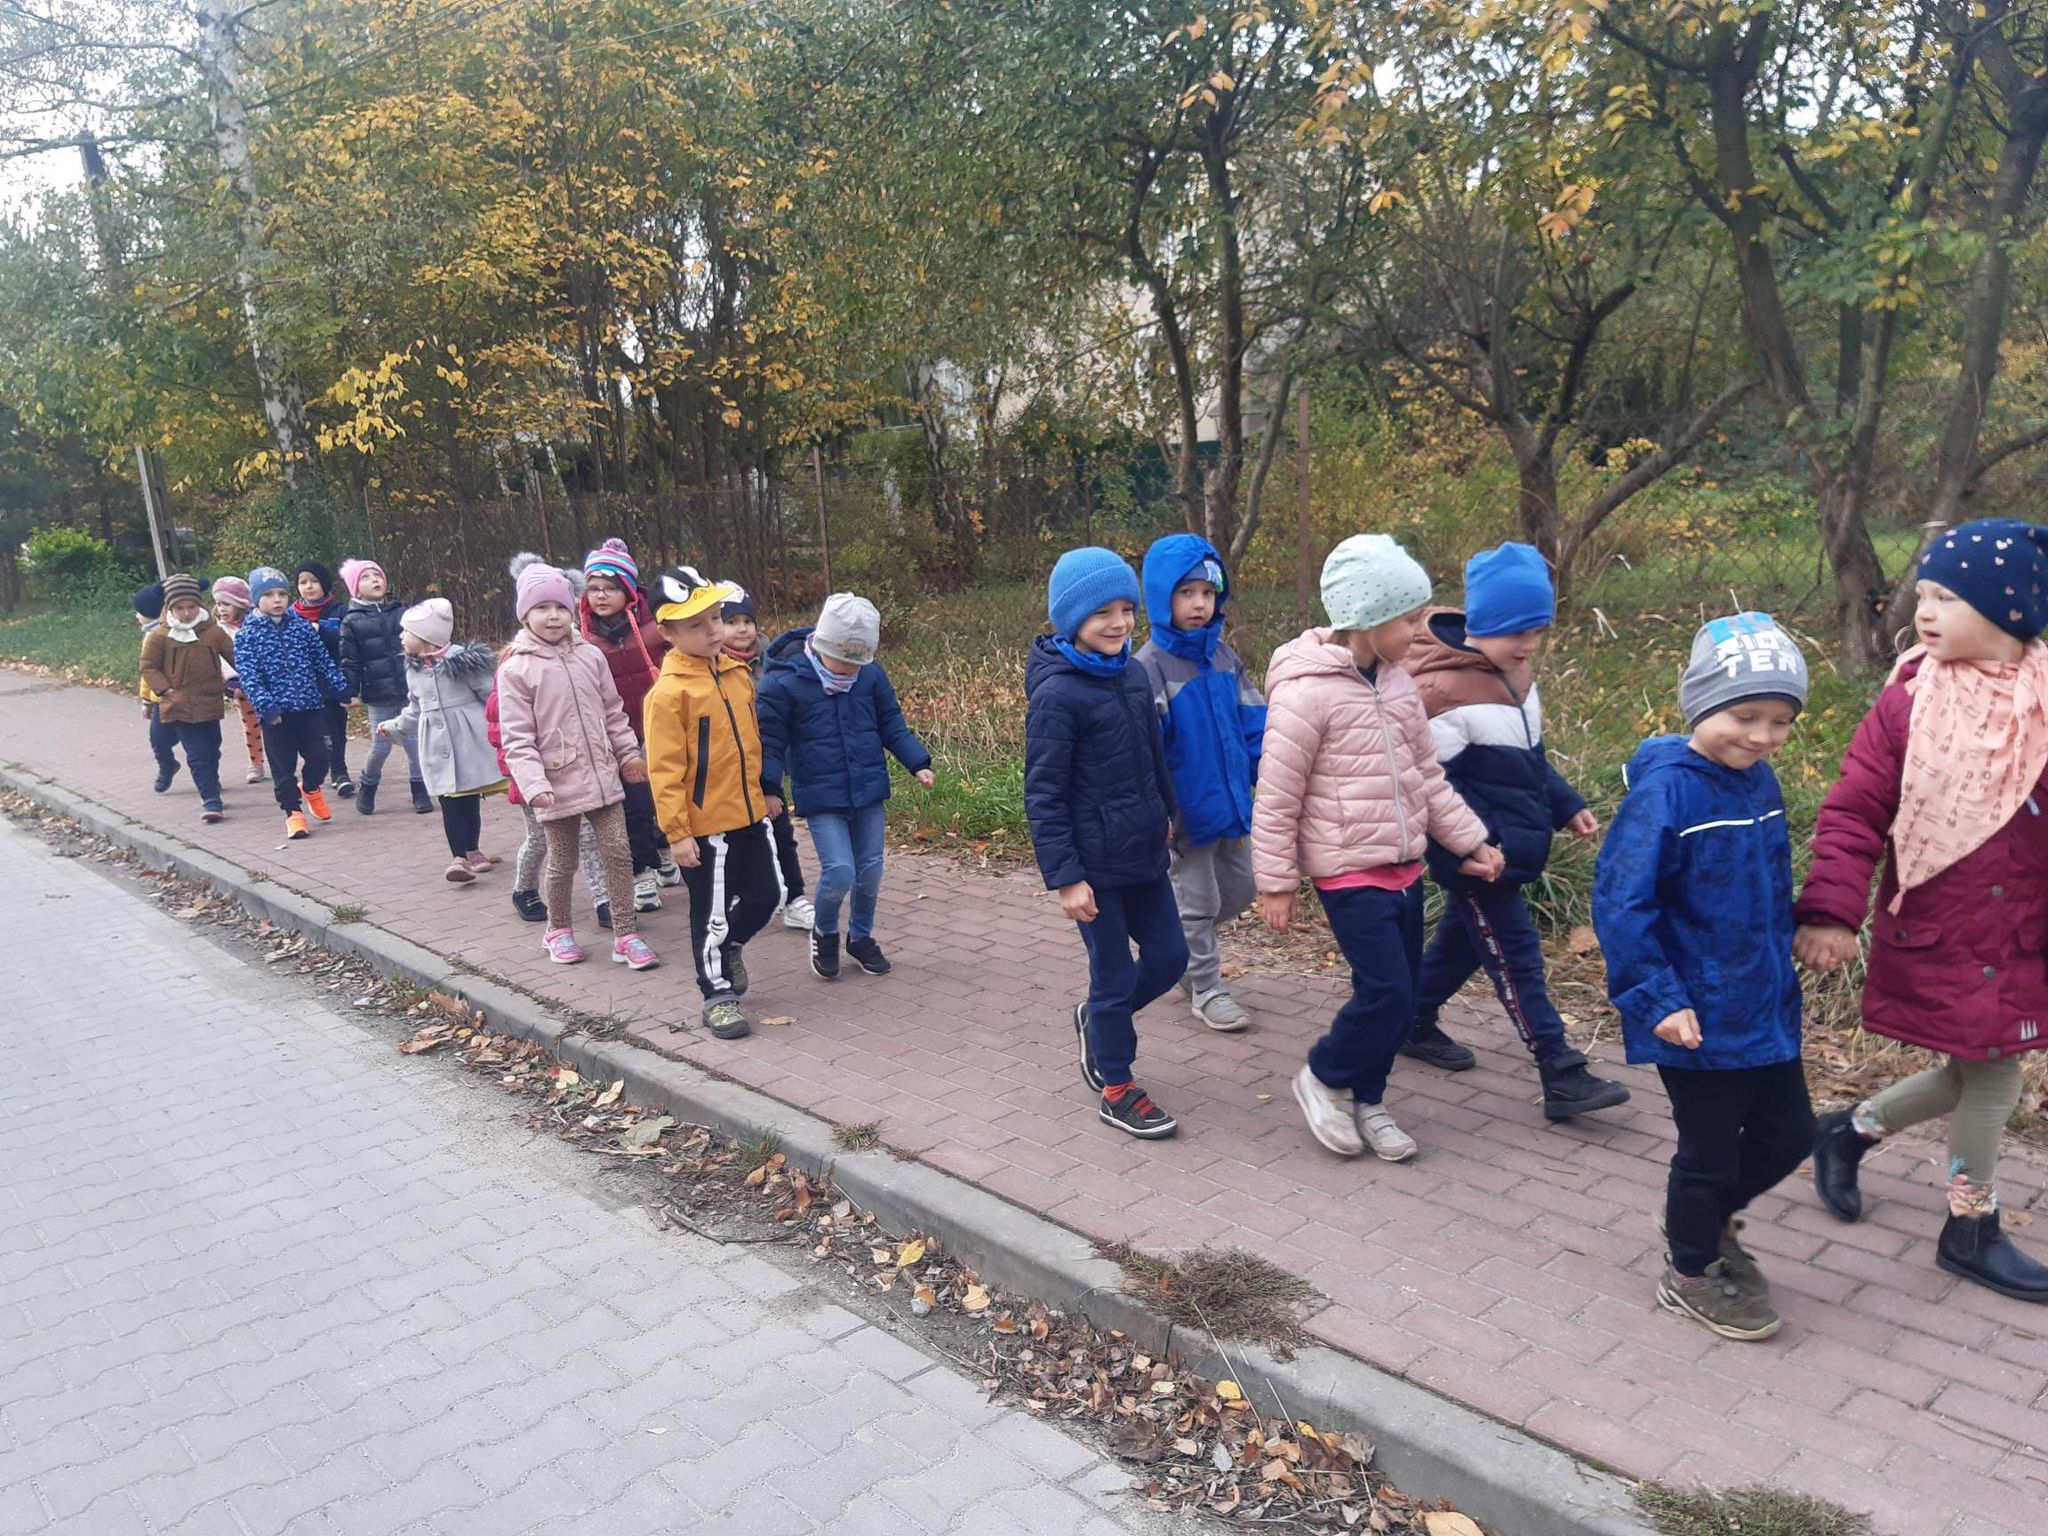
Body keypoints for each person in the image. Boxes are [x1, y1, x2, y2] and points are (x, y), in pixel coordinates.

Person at [1799, 519, 2048, 1304]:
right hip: (1942, 928)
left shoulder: (2043, 703)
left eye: (1948, 597)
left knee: (1969, 1072)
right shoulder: (1910, 701)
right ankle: (1970, 1229)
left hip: (2022, 932)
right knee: (1995, 1080)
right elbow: (1854, 810)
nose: (1924, 611)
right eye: (1924, 593)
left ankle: (1847, 1131)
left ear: (2008, 610)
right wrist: (1832, 911)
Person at [1594, 612, 1812, 1341]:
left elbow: (1768, 885)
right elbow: (1622, 903)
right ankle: (1689, 1269)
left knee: (1790, 1134)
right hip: (1693, 1014)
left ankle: (1705, 1217)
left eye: (1781, 721)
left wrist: (1805, 929)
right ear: (1701, 705)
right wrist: (1656, 997)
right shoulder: (1666, 795)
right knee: (1709, 1151)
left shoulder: (1758, 780)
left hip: (1764, 1001)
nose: (1762, 736)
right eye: (1745, 717)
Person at [1253, 535, 1504, 1162]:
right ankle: (1323, 1076)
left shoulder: (1397, 686)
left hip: (1405, 865)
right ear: (1367, 618)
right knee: (1386, 992)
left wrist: (1470, 840)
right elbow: (1277, 795)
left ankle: (1368, 1097)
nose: (1421, 632)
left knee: (1404, 994)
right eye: (1410, 619)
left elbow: (1427, 777)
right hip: (1347, 870)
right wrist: (1276, 882)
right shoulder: (1306, 693)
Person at [1401, 542, 1630, 1119]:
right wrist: (1466, 848)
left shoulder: (1515, 676)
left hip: (1510, 846)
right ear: (1481, 624)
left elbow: (1528, 761)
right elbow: (1430, 787)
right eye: (1515, 632)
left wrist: (1565, 804)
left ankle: (1411, 1019)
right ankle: (1559, 1069)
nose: (1527, 644)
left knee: (1464, 946)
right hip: (1478, 857)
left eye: (1536, 631)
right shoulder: (1443, 693)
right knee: (1517, 956)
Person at [1025, 547, 1186, 1139]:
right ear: (1072, 620)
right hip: (1093, 867)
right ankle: (1118, 1088)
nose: (1119, 623)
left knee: (1170, 959)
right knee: (1114, 976)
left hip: (1143, 852)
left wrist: (1168, 812)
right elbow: (1043, 794)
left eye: (1127, 609)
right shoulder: (1057, 696)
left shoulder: (1133, 673)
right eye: (1102, 613)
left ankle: (1098, 1020)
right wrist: (1066, 878)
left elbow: (1153, 755)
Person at [758, 593, 934, 982]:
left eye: (859, 662)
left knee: (869, 871)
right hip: (821, 793)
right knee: (839, 871)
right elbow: (770, 741)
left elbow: (891, 724)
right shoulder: (784, 683)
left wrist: (918, 762)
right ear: (822, 646)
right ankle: (824, 932)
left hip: (867, 788)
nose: (851, 669)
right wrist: (769, 787)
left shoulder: (869, 676)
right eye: (843, 660)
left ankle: (861, 937)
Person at [495, 561, 658, 971]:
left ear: (572, 610)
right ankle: (558, 929)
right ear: (525, 615)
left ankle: (626, 934)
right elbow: (517, 737)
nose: (553, 616)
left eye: (560, 607)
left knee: (618, 852)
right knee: (563, 860)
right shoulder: (516, 668)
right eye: (542, 608)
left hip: (602, 775)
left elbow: (613, 712)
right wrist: (533, 784)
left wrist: (628, 755)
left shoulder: (591, 655)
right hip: (554, 782)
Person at [1136, 533, 1265, 1033]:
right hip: (1184, 815)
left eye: (1208, 593)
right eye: (1186, 592)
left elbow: (1253, 724)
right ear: (1162, 596)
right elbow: (1144, 752)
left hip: (1231, 805)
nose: (1199, 604)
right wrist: (1158, 812)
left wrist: (1267, 775)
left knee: (1241, 889)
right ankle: (1206, 987)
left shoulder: (1224, 659)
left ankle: (1176, 943)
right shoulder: (1149, 668)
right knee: (1198, 904)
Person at [644, 565, 780, 1038]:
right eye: (696, 625)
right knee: (712, 913)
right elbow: (664, 771)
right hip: (704, 828)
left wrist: (766, 791)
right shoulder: (668, 694)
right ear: (668, 633)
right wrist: (677, 833)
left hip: (751, 814)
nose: (713, 630)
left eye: (715, 618)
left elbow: (752, 745)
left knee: (768, 896)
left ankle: (729, 947)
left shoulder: (737, 674)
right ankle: (716, 993)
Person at [573, 539, 681, 910]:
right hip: (618, 734)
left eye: (611, 588)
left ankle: (664, 849)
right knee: (633, 806)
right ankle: (641, 874)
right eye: (594, 588)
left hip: (661, 726)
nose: (601, 595)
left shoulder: (656, 625)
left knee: (663, 798)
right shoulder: (582, 636)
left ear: (630, 590)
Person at [376, 598, 505, 885]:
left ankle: (472, 850)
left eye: (407, 632)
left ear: (427, 638)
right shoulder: (413, 669)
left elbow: (492, 697)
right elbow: (415, 709)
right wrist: (395, 727)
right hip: (435, 745)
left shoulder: (464, 664)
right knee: (449, 802)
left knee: (468, 799)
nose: (401, 637)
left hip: (468, 742)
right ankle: (458, 857)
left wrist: (509, 725)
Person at [721, 587, 815, 933]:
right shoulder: (712, 665)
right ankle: (739, 894)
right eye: (732, 621)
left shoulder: (773, 660)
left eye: (747, 621)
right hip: (729, 770)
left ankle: (795, 898)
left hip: (767, 763)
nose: (742, 628)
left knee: (781, 832)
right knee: (737, 839)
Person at [234, 567, 351, 839]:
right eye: (269, 595)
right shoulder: (247, 635)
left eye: (282, 594)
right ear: (256, 599)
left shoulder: (300, 626)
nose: (277, 600)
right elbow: (250, 676)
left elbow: (322, 660)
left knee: (320, 756)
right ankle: (293, 812)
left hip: (310, 705)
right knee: (283, 767)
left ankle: (310, 787)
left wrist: (342, 688)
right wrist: (267, 706)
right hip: (277, 713)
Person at [488, 684, 611, 927]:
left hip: (573, 769)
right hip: (534, 778)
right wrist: (525, 778)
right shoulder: (511, 678)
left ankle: (603, 898)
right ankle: (524, 889)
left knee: (588, 836)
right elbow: (505, 737)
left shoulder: (563, 671)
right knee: (540, 839)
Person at [138, 573, 237, 823]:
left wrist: (248, 679)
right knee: (195, 752)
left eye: (191, 607)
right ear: (169, 608)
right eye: (179, 608)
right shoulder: (160, 636)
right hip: (178, 702)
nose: (186, 613)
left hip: (209, 699)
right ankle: (210, 799)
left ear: (199, 605)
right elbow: (148, 666)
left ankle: (211, 782)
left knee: (212, 747)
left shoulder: (212, 632)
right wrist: (164, 690)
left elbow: (237, 656)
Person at [338, 558, 426, 816]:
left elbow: (419, 646)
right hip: (378, 694)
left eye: (377, 575)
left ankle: (420, 789)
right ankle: (368, 784)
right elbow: (349, 661)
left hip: (408, 689)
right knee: (381, 746)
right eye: (365, 578)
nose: (374, 580)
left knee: (414, 743)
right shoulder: (351, 621)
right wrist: (350, 691)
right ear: (355, 588)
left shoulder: (400, 613)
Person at [293, 561, 354, 797]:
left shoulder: (338, 610)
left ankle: (339, 771)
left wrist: (320, 628)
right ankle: (328, 771)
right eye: (303, 582)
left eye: (314, 581)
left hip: (334, 680)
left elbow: (345, 635)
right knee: (319, 731)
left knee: (337, 728)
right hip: (306, 684)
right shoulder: (291, 614)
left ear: (325, 584)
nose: (309, 587)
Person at [209, 576, 267, 785]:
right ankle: (256, 762)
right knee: (251, 726)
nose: (221, 609)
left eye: (227, 604)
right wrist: (228, 683)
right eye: (218, 604)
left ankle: (281, 760)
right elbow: (218, 660)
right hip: (238, 686)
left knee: (274, 724)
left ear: (240, 604)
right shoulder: (217, 629)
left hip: (264, 683)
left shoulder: (257, 624)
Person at [133, 581, 179, 793]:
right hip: (160, 699)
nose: (136, 616)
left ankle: (208, 779)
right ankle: (167, 765)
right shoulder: (148, 637)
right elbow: (147, 673)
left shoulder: (168, 634)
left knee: (198, 745)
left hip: (184, 697)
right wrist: (147, 700)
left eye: (139, 612)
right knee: (158, 739)